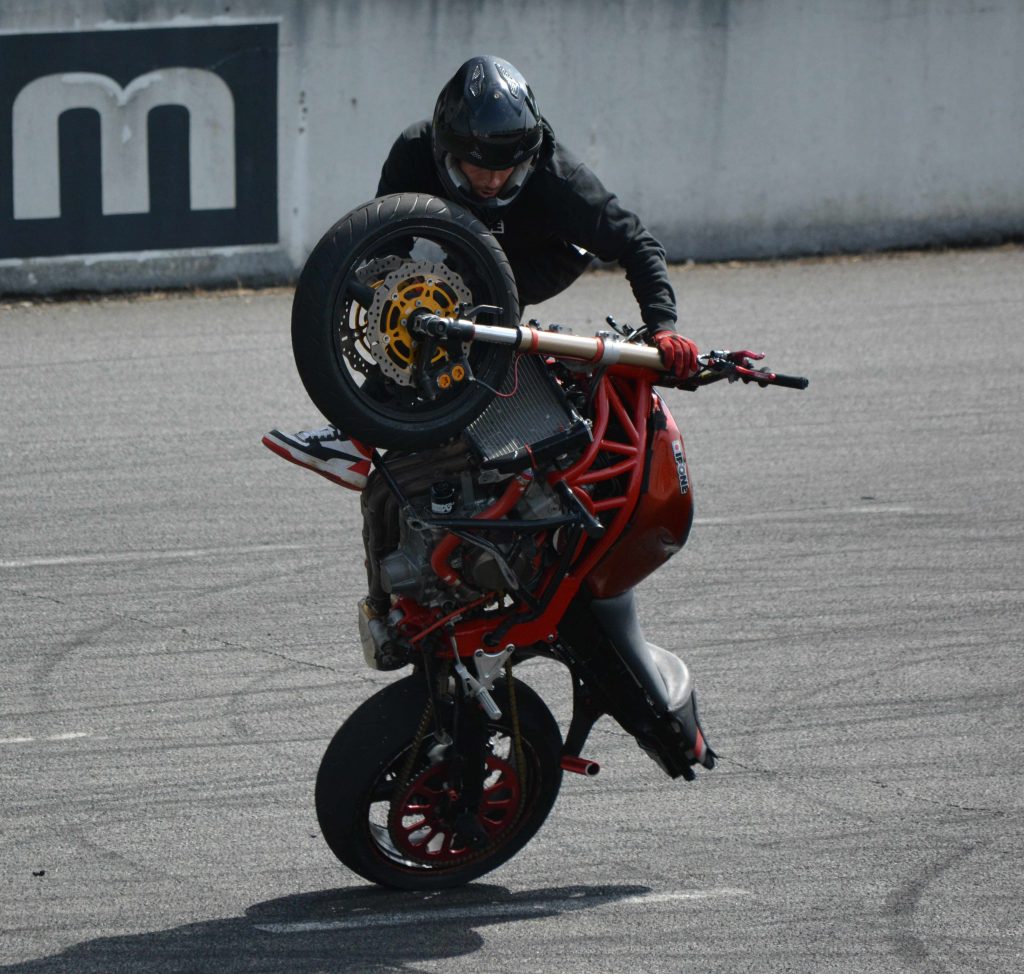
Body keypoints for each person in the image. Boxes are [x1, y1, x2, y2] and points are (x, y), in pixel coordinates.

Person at [263, 54, 698, 487]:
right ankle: (368, 430)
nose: (491, 181)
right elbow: (385, 243)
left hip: (542, 257)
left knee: (470, 304)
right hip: (458, 248)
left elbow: (639, 243)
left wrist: (662, 325)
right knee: (407, 293)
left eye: (504, 168)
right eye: (479, 167)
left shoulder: (561, 180)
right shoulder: (415, 151)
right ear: (447, 149)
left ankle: (420, 427)